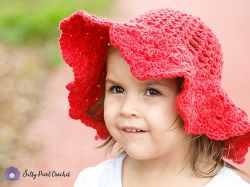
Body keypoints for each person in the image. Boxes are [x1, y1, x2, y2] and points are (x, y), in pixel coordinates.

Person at [59, 8, 250, 187]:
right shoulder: (93, 181)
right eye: (117, 89)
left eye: (152, 92)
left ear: (196, 103)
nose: (127, 108)